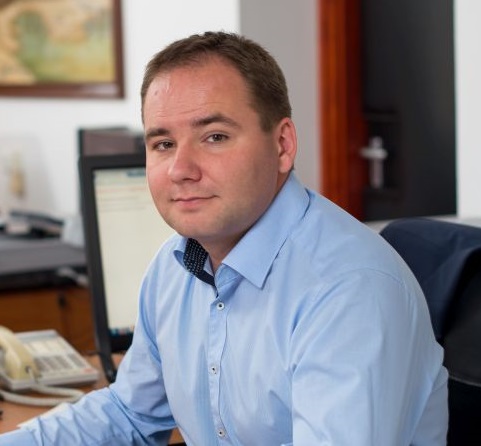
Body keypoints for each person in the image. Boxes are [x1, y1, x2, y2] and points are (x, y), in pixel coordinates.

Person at [0, 31, 448, 445]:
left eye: (214, 137)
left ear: (282, 145)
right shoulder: (173, 267)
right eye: (163, 144)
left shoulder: (349, 288)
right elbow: (128, 415)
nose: (181, 169)